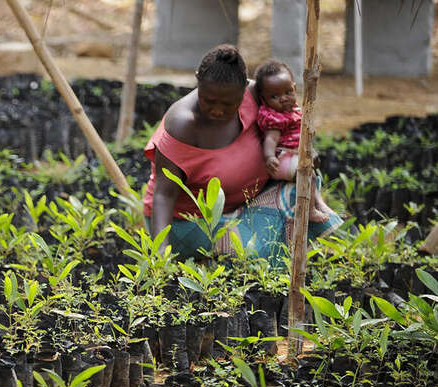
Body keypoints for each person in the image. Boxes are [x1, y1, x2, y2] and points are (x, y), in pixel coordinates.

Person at [142, 45, 342, 261]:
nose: (218, 110)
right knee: (252, 253)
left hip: (245, 205)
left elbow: (290, 124)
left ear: (245, 89)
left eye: (229, 104)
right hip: (191, 221)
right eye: (209, 101)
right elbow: (164, 194)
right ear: (198, 82)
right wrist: (160, 252)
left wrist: (307, 153)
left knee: (303, 185)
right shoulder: (182, 125)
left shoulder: (259, 95)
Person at [254, 59, 332, 223]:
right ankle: (307, 209)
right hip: (281, 161)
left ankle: (318, 204)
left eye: (288, 92)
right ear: (263, 99)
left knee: (312, 174)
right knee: (307, 174)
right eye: (274, 96)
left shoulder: (293, 110)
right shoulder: (275, 117)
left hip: (292, 157)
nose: (283, 99)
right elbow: (270, 139)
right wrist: (269, 157)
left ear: (295, 88)